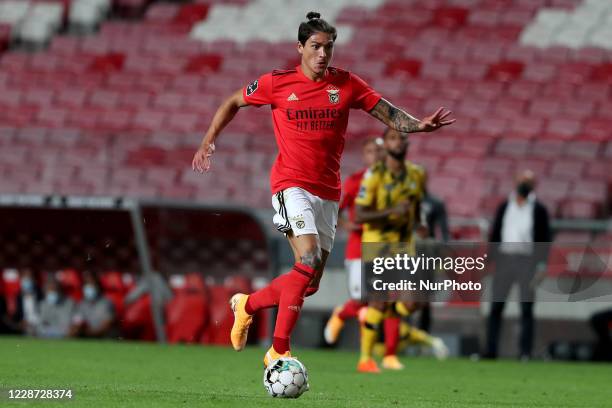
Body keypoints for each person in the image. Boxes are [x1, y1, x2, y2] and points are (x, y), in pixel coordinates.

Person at [192, 11, 454, 367]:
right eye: (315, 46)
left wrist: (418, 126)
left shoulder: (346, 84)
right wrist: (208, 141)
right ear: (300, 47)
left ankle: (246, 304)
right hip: (290, 185)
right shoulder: (277, 83)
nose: (322, 54)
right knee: (309, 258)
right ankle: (279, 350)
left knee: (308, 284)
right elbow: (233, 101)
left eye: (328, 47)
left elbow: (387, 112)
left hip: (328, 193)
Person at [353, 128, 446, 372]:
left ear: (407, 143)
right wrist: (390, 213)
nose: (398, 141)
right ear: (385, 144)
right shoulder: (374, 174)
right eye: (393, 137)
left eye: (401, 137)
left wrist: (420, 224)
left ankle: (384, 318)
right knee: (378, 303)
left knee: (414, 301)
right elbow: (360, 213)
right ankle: (365, 359)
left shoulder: (416, 174)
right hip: (377, 247)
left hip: (406, 248)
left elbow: (416, 206)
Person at [485, 170, 552, 360]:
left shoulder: (539, 209)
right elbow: (496, 234)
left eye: (528, 181)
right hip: (504, 259)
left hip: (527, 261)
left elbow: (544, 239)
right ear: (515, 182)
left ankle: (525, 352)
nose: (524, 184)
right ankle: (490, 351)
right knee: (496, 306)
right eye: (522, 180)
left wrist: (541, 265)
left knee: (526, 308)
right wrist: (489, 260)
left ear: (534, 185)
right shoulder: (504, 206)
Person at [324, 136, 383, 345]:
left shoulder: (392, 181)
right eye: (370, 152)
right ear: (364, 156)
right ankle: (341, 314)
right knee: (360, 300)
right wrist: (347, 225)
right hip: (358, 249)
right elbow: (335, 209)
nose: (375, 156)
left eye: (378, 151)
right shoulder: (356, 181)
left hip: (384, 248)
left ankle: (369, 352)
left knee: (380, 301)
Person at [70, 270, 116, 339]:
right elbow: (77, 322)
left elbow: (107, 324)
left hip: (103, 337)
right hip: (85, 337)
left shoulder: (106, 303)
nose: (89, 287)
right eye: (87, 284)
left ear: (97, 286)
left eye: (92, 284)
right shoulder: (81, 304)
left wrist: (90, 333)